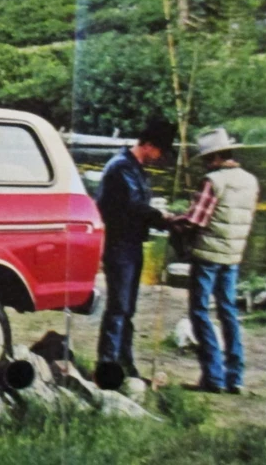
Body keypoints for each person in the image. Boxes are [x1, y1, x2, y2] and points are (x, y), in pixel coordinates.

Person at [171, 128, 260, 394]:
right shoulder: (250, 180)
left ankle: (214, 378)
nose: (205, 164)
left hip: (208, 255)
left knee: (199, 312)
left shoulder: (213, 181)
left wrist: (171, 219)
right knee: (228, 312)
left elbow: (195, 220)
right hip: (233, 256)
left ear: (215, 158)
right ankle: (236, 378)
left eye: (206, 160)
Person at [95, 119, 176, 378]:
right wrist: (161, 216)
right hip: (119, 244)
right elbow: (133, 207)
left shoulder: (135, 168)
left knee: (127, 308)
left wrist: (159, 217)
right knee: (118, 307)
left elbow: (138, 206)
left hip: (132, 243)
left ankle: (124, 362)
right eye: (160, 151)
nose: (160, 157)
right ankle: (107, 365)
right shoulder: (122, 168)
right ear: (149, 145)